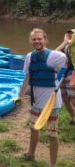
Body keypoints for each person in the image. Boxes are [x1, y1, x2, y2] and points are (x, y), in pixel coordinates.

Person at [19, 28, 67, 167]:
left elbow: (64, 58)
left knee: (52, 134)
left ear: (45, 39)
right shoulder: (29, 56)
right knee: (34, 128)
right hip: (36, 100)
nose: (37, 41)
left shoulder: (55, 56)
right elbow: (27, 77)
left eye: (39, 39)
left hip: (52, 103)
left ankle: (53, 164)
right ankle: (31, 153)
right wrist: (20, 96)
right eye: (34, 39)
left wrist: (66, 42)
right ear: (31, 41)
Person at [56, 29, 75, 125]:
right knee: (65, 97)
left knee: (73, 97)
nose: (70, 35)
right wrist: (65, 42)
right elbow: (55, 53)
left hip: (72, 73)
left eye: (73, 33)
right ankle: (73, 117)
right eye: (69, 33)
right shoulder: (66, 46)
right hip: (63, 73)